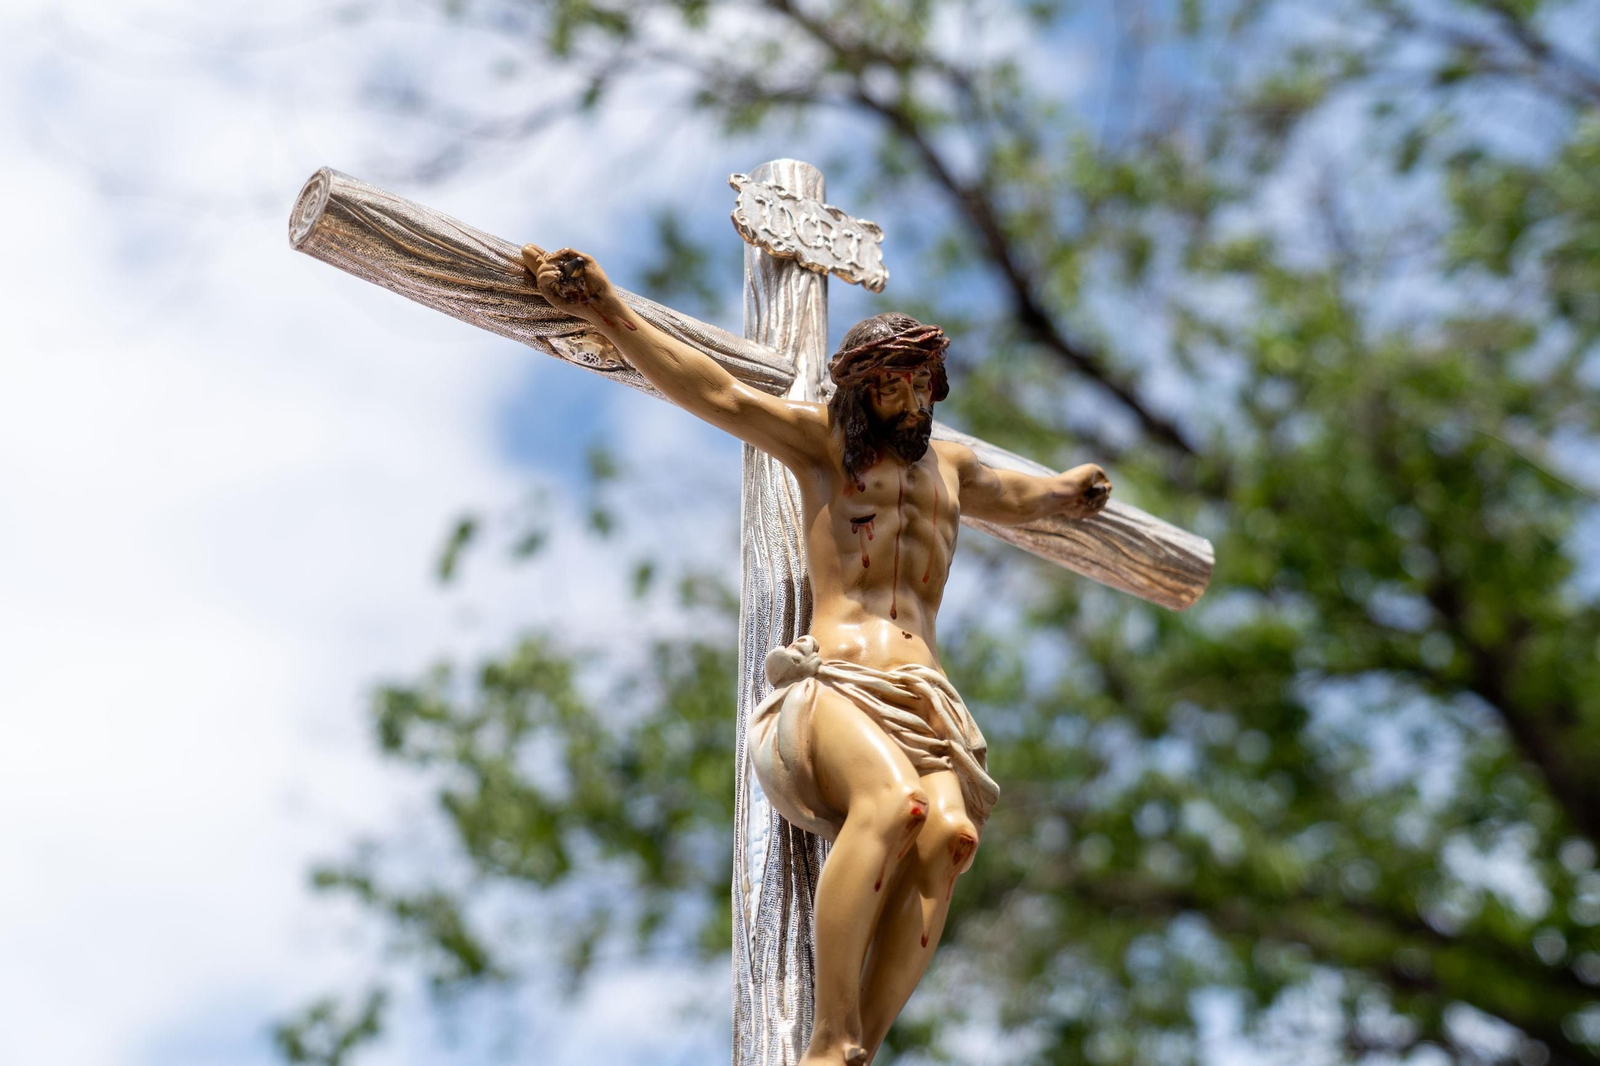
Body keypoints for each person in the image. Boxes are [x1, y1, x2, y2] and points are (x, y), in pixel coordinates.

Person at [522, 244, 1111, 1066]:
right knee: (895, 806)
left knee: (949, 837)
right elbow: (719, 392)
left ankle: (861, 1047)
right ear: (861, 388)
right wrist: (606, 308)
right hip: (837, 683)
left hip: (928, 695)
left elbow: (1025, 496)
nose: (909, 399)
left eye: (920, 382)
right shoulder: (828, 446)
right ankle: (830, 1038)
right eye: (890, 384)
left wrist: (1071, 492)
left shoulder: (954, 467)